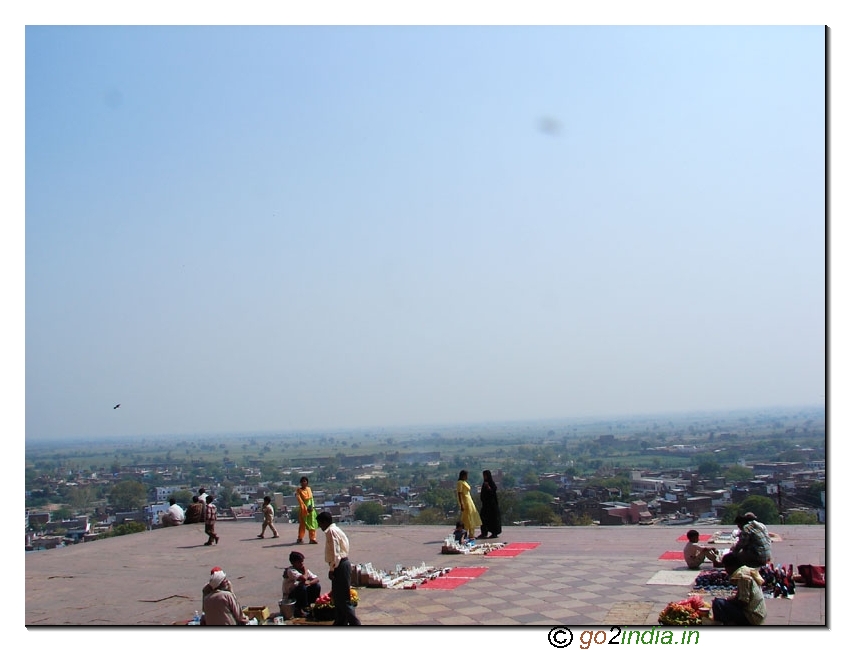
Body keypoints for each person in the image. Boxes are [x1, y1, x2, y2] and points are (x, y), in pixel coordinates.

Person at [316, 511, 361, 626]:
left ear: (325, 522)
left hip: (339, 565)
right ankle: (340, 622)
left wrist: (332, 569)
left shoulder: (331, 531)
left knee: (342, 599)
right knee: (337, 597)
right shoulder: (335, 530)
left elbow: (336, 553)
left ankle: (355, 623)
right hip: (341, 563)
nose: (320, 526)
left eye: (320, 523)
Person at [711, 553, 766, 625]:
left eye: (726, 567)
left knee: (718, 603)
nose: (726, 570)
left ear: (732, 566)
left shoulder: (743, 577)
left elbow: (743, 602)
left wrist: (729, 602)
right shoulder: (746, 571)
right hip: (757, 615)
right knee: (723, 602)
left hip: (752, 617)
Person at [282, 551, 321, 617]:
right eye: (299, 562)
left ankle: (311, 606)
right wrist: (305, 571)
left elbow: (316, 579)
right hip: (291, 596)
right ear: (293, 563)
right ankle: (300, 609)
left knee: (316, 586)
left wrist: (309, 582)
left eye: (302, 561)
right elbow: (303, 578)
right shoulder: (291, 570)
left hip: (301, 593)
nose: (302, 564)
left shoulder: (302, 569)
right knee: (302, 587)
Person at [456, 470, 482, 540]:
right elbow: (459, 493)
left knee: (472, 516)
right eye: (466, 475)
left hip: (469, 500)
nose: (467, 477)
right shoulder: (460, 483)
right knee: (467, 517)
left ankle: (471, 534)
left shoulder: (464, 482)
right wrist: (461, 503)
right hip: (465, 501)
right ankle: (463, 532)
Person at [478, 469, 502, 539]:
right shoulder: (484, 483)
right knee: (483, 519)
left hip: (492, 506)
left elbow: (493, 492)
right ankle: (484, 533)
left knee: (493, 519)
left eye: (485, 475)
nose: (484, 477)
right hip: (485, 505)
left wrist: (488, 487)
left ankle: (494, 533)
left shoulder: (491, 483)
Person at [296, 476, 318, 544]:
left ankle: (312, 538)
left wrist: (312, 507)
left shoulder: (309, 489)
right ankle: (300, 538)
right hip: (303, 509)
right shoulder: (299, 491)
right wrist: (305, 509)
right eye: (302, 481)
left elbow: (311, 499)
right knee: (303, 524)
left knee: (312, 524)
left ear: (307, 482)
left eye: (305, 481)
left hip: (311, 509)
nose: (303, 483)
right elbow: (300, 501)